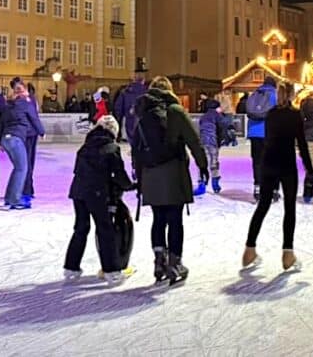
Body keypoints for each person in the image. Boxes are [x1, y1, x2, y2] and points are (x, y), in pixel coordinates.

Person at [130, 76, 208, 285]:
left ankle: (159, 261)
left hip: (151, 174)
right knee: (175, 220)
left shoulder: (142, 114)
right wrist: (203, 165)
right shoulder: (175, 111)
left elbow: (136, 149)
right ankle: (175, 262)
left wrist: (138, 176)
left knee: (158, 219)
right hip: (174, 172)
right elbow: (193, 140)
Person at [242, 82, 313, 272]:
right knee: (289, 209)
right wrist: (310, 169)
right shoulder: (295, 114)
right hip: (287, 164)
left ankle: (249, 250)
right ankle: (287, 254)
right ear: (291, 95)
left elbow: (268, 139)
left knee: (263, 206)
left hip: (268, 163)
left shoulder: (271, 114)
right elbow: (302, 143)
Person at [64, 115, 136, 284]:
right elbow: (118, 174)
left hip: (78, 192)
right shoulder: (111, 148)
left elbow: (79, 171)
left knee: (80, 228)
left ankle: (71, 268)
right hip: (96, 194)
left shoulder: (85, 147)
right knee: (105, 230)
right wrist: (130, 186)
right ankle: (112, 271)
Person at [0, 77, 45, 209]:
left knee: (18, 168)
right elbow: (34, 118)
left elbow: (1, 122)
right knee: (22, 168)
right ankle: (15, 200)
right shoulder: (25, 103)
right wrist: (42, 131)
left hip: (5, 138)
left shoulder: (8, 105)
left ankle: (9, 198)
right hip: (17, 138)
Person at [245, 76, 279, 202]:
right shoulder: (274, 95)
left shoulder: (255, 94)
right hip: (270, 133)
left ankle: (258, 187)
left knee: (257, 161)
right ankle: (273, 189)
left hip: (254, 133)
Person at [114, 66, 149, 143]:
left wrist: (118, 120)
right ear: (143, 79)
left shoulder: (125, 91)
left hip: (129, 122)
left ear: (134, 78)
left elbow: (118, 109)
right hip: (145, 123)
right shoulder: (148, 92)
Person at [197, 98, 224, 194]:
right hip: (212, 142)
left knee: (203, 163)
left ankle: (202, 183)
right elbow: (221, 129)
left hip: (203, 142)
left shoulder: (203, 117)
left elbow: (200, 130)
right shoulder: (217, 116)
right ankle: (215, 184)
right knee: (214, 163)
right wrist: (220, 142)